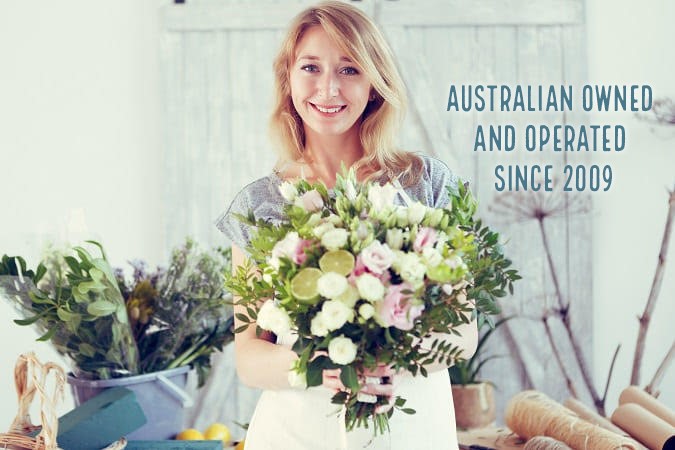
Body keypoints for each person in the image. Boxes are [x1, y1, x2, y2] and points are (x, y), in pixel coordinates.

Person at [216, 2, 478, 449]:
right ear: (288, 78)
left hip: (411, 430)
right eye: (311, 67)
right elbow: (250, 358)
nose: (328, 88)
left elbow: (462, 332)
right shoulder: (258, 205)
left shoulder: (425, 184)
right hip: (298, 433)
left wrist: (388, 364)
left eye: (350, 69)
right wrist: (323, 365)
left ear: (375, 82)